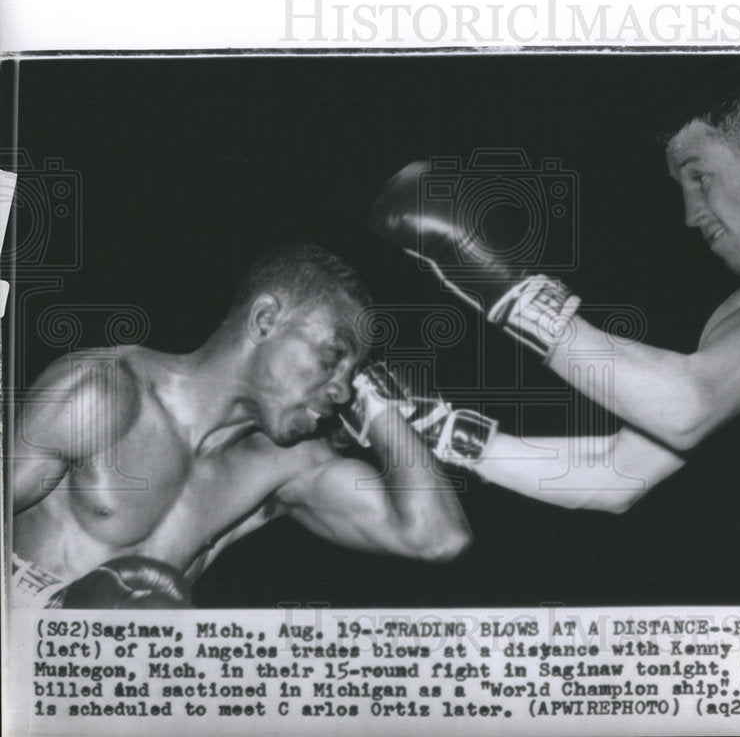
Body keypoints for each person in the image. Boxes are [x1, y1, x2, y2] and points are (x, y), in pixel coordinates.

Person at [371, 76, 740, 605]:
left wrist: (499, 285)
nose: (689, 213)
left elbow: (687, 404)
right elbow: (611, 476)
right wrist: (438, 428)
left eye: (700, 177)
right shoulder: (739, 319)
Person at [11, 243, 473, 608]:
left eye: (354, 375)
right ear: (265, 319)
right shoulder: (106, 395)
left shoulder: (284, 465)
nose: (343, 391)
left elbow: (436, 537)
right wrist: (47, 612)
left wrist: (378, 401)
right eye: (332, 357)